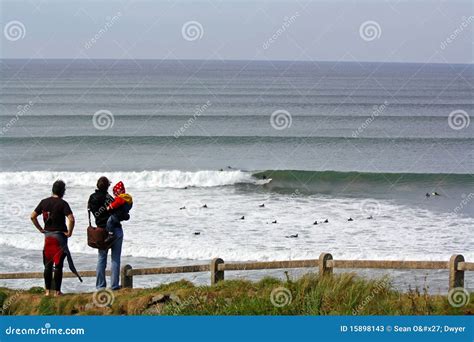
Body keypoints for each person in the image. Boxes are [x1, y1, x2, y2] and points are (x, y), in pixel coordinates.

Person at [30, 180, 82, 296]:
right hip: (59, 239)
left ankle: (47, 291)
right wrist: (69, 232)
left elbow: (32, 216)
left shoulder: (44, 202)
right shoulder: (63, 203)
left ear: (52, 189)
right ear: (63, 191)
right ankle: (57, 292)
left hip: (48, 239)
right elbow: (72, 219)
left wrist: (40, 229)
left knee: (48, 265)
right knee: (58, 266)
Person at [88, 177, 123, 290]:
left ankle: (100, 286)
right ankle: (114, 285)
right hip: (115, 229)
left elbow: (94, 213)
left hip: (101, 231)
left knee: (102, 258)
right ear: (108, 186)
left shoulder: (92, 198)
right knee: (115, 258)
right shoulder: (109, 198)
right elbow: (119, 214)